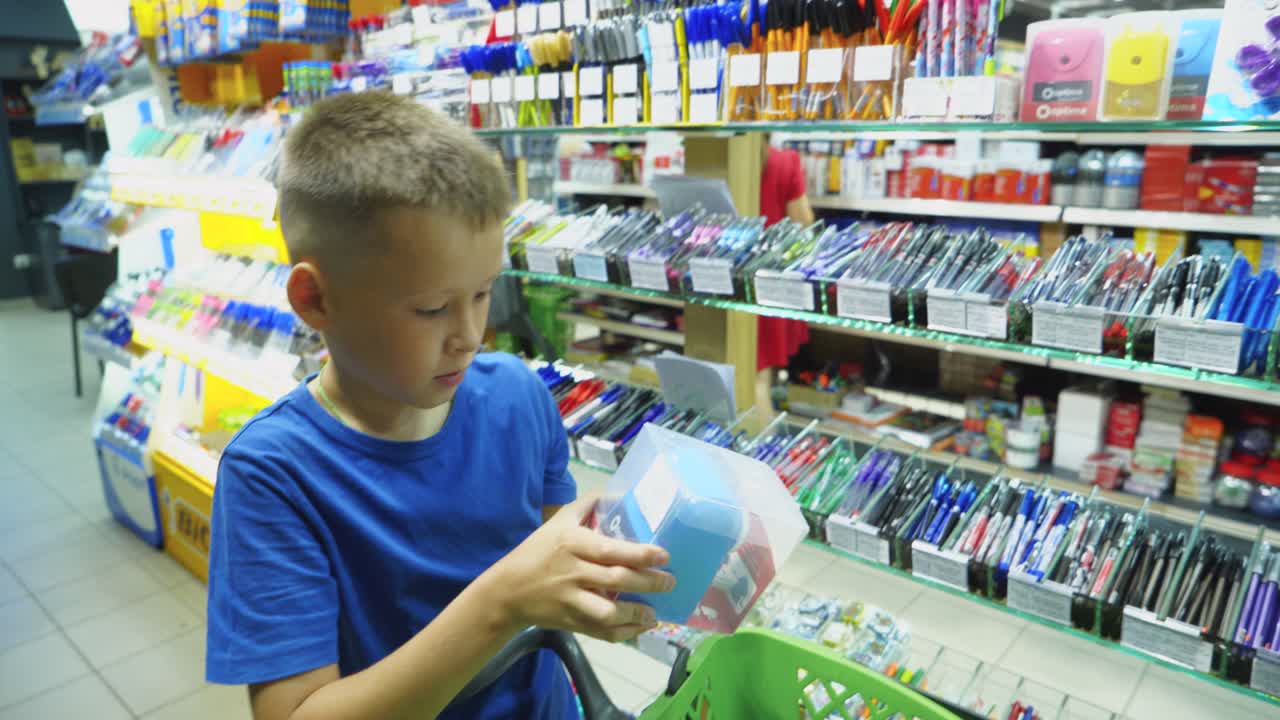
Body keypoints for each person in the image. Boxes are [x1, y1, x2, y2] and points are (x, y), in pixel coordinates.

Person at [205, 92, 674, 720]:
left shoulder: (515, 395)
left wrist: (618, 581)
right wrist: (502, 603)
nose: (469, 335)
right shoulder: (274, 473)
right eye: (430, 309)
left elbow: (562, 563)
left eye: (483, 294)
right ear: (316, 301)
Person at [757, 138, 814, 375]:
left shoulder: (716, 160)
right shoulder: (783, 162)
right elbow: (803, 223)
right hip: (772, 280)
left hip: (719, 276)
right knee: (759, 377)